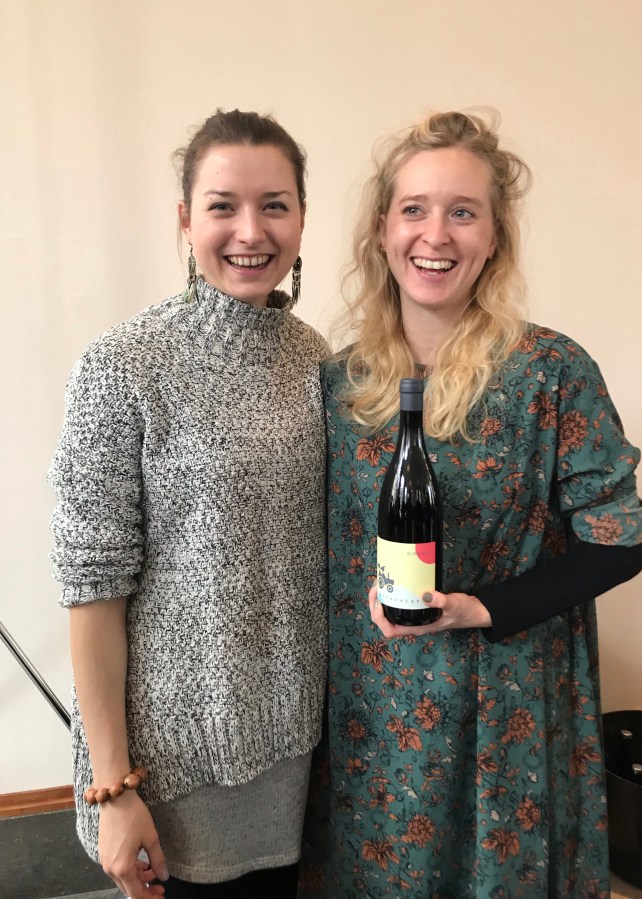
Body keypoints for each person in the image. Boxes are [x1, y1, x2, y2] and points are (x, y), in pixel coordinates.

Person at [299, 111, 642, 898]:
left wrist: (480, 608)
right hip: (370, 718)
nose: (436, 235)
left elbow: (619, 541)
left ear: (494, 238)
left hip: (504, 714)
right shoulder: (337, 384)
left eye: (463, 212)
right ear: (382, 230)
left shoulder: (551, 372)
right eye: (414, 209)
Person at [49, 109, 328, 899]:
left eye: (274, 205)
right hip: (174, 773)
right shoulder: (122, 366)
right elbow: (92, 590)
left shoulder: (316, 359)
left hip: (295, 754)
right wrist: (112, 788)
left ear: (302, 217)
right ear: (185, 219)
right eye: (222, 206)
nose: (251, 231)